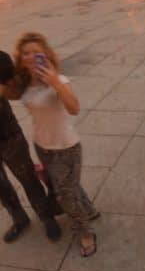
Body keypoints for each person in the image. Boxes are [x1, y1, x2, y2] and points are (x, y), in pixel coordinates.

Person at [12, 33, 98, 257]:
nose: (31, 56)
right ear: (20, 59)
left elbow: (74, 108)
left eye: (36, 52)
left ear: (46, 55)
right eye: (26, 53)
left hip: (66, 147)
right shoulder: (24, 84)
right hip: (42, 146)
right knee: (69, 187)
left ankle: (86, 233)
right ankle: (89, 211)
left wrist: (55, 82)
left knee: (65, 195)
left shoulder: (60, 80)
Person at [0, 50, 61, 244]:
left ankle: (46, 216)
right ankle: (19, 219)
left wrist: (6, 79)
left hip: (8, 136)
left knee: (28, 177)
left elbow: (16, 91)